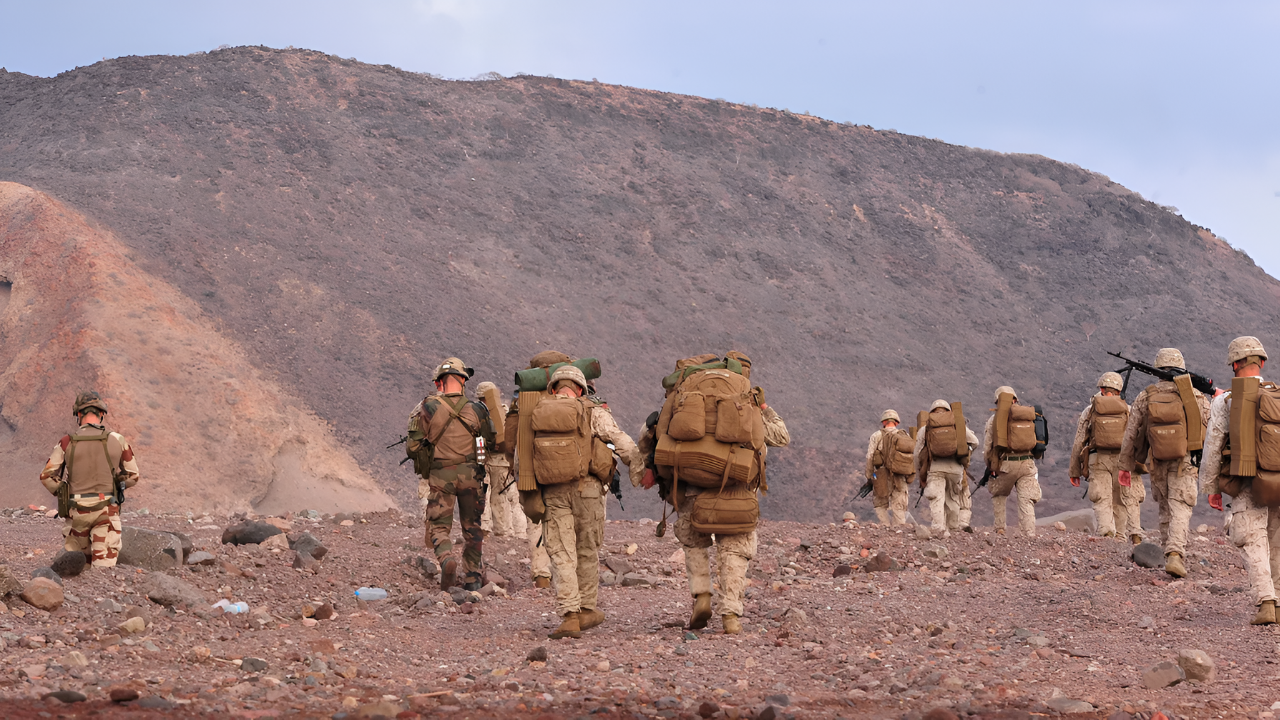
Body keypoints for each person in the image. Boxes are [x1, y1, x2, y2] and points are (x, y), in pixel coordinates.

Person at [642, 351, 790, 635]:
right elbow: (781, 436)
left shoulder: (687, 399)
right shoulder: (748, 404)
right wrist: (764, 406)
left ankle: (702, 595)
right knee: (734, 550)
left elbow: (652, 435)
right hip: (736, 490)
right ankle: (730, 615)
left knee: (694, 544)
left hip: (690, 488)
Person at [535, 365, 645, 639]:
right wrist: (638, 470)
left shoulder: (538, 411)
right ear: (581, 389)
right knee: (586, 550)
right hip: (589, 491)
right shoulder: (592, 410)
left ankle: (570, 615)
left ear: (553, 388)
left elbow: (522, 457)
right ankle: (587, 608)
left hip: (553, 492)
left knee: (561, 554)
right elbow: (619, 440)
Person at [1199, 336, 1279, 624]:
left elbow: (1213, 446)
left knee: (1251, 538)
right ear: (1262, 362)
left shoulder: (1227, 400)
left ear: (1234, 364)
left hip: (1246, 481)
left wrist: (1211, 487)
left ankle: (1266, 602)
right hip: (1278, 479)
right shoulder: (1277, 396)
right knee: (1276, 539)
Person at [405, 357, 496, 592]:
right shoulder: (478, 409)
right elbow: (490, 442)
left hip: (440, 476)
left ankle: (446, 558)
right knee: (473, 527)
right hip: (471, 475)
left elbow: (412, 448)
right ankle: (473, 578)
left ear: (439, 383)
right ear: (464, 381)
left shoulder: (427, 407)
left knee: (438, 525)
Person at [1119, 348, 1210, 578]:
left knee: (1165, 506)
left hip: (1157, 459)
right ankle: (1175, 554)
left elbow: (1131, 433)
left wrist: (1125, 466)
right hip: (1186, 460)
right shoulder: (1197, 397)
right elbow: (1210, 430)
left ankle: (1167, 550)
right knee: (1181, 506)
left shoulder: (1146, 396)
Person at [38, 392, 140, 568]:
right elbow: (133, 475)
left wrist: (63, 491)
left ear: (78, 414)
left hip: (77, 513)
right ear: (101, 413)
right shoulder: (117, 440)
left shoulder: (67, 442)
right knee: (103, 571)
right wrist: (115, 483)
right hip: (107, 510)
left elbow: (46, 476)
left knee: (79, 570)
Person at [1069, 372, 1145, 542]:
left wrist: (1074, 471)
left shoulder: (1090, 411)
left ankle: (1106, 534)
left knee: (1102, 498)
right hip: (1123, 460)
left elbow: (1079, 441)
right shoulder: (1128, 410)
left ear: (1101, 389)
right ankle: (1121, 535)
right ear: (1119, 390)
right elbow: (1138, 437)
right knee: (1122, 498)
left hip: (1098, 460)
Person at [983, 386, 1042, 537]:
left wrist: (991, 466)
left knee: (999, 494)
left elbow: (988, 447)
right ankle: (1028, 533)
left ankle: (1000, 528)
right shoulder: (1028, 416)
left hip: (1005, 465)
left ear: (998, 401)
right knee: (1026, 499)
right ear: (1016, 399)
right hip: (1027, 464)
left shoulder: (994, 420)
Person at [914, 399, 979, 536]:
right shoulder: (957, 425)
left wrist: (920, 472)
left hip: (935, 467)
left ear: (932, 412)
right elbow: (975, 442)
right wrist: (965, 454)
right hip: (955, 467)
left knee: (937, 498)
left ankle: (939, 529)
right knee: (953, 498)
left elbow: (917, 453)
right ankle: (953, 529)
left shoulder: (926, 428)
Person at [476, 381, 526, 540]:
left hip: (482, 458)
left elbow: (475, 438)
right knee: (500, 495)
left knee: (482, 492)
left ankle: (483, 526)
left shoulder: (475, 412)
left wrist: (479, 459)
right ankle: (503, 530)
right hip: (502, 461)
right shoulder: (504, 412)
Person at [863, 410, 912, 525]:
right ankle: (898, 529)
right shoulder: (905, 436)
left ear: (883, 422)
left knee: (880, 503)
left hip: (880, 474)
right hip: (900, 475)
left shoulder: (876, 435)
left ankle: (885, 527)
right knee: (899, 505)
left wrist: (870, 476)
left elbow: (870, 457)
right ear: (897, 422)